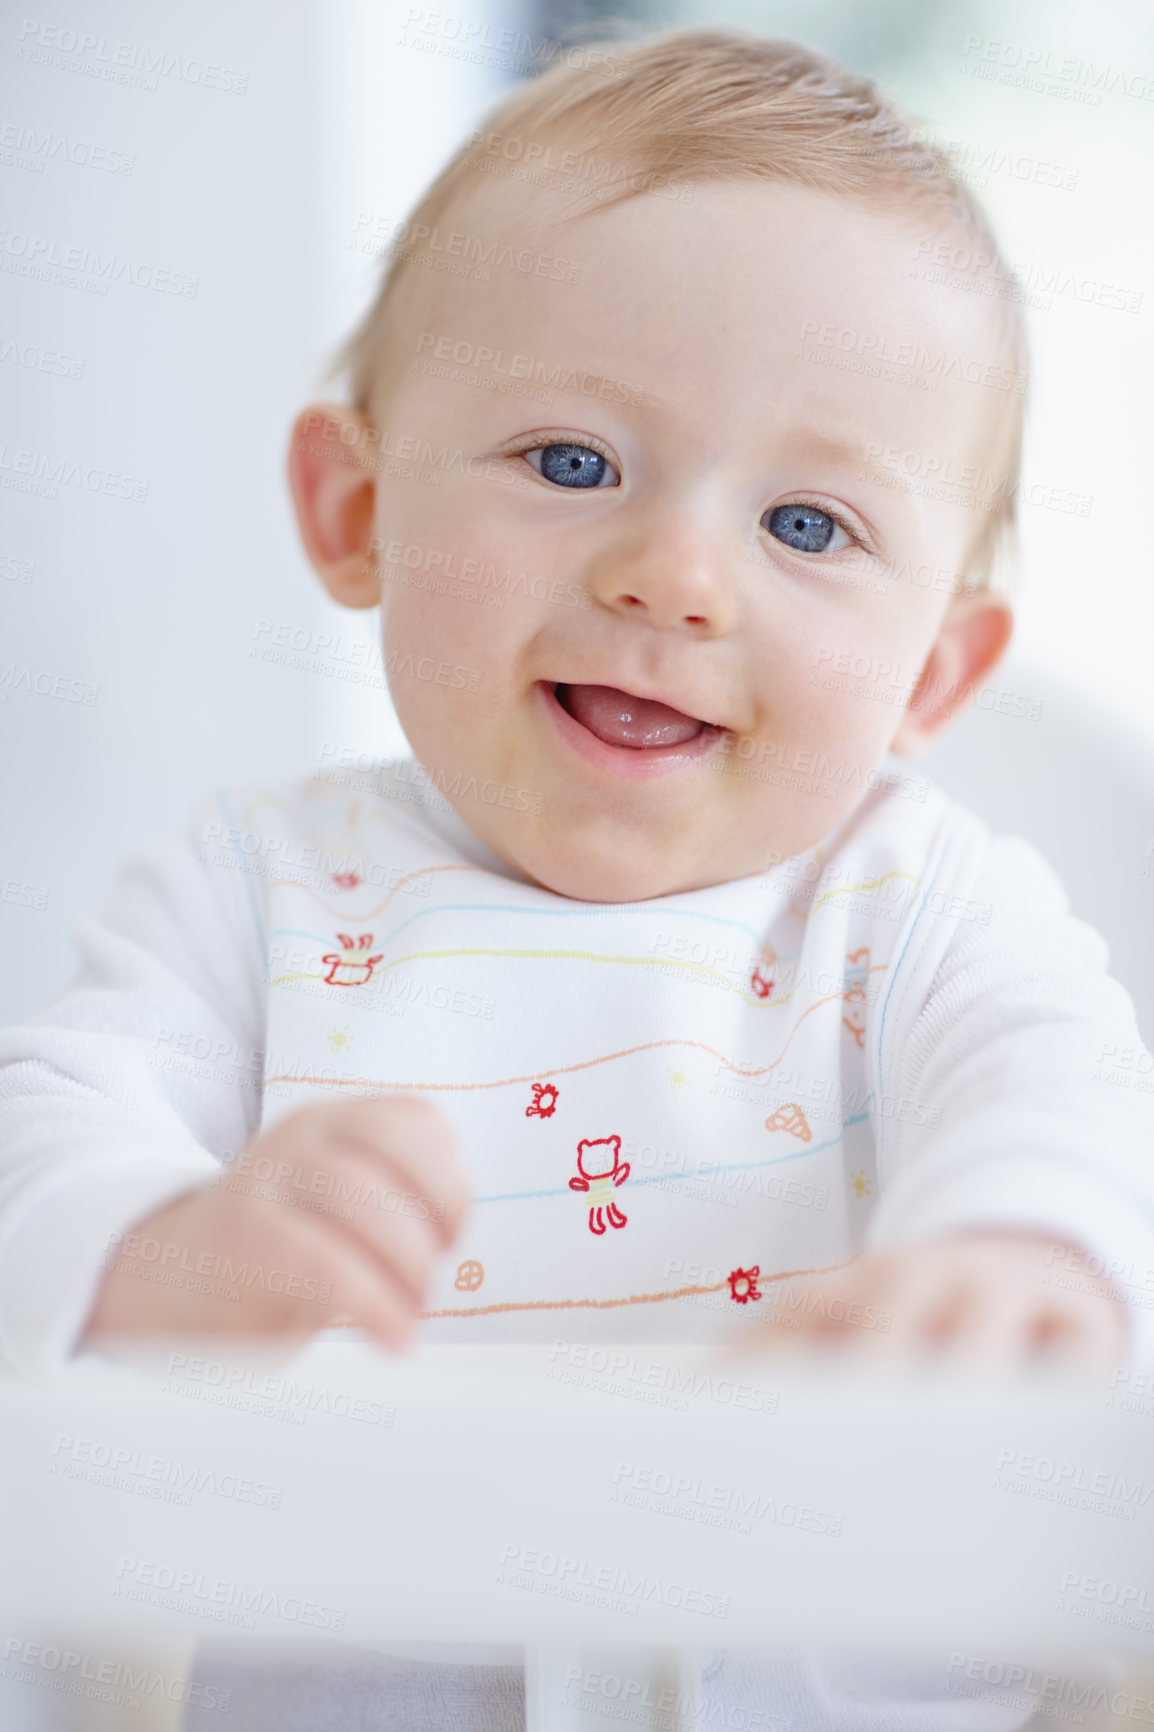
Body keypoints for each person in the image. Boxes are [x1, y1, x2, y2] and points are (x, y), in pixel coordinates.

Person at [2, 28, 1149, 1731]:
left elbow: (1057, 1093)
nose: (674, 576)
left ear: (931, 675)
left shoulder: (922, 907)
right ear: (354, 507)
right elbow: (50, 1125)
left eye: (809, 527)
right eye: (571, 462)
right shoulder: (249, 895)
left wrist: (1017, 1259)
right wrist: (165, 1260)